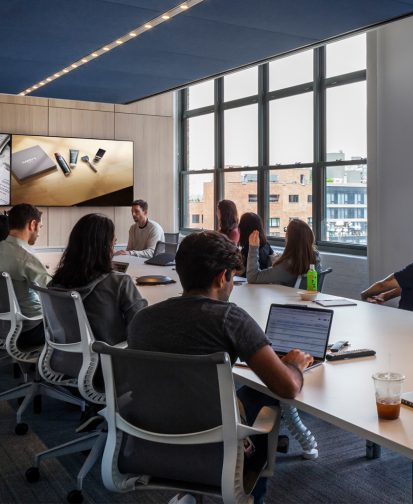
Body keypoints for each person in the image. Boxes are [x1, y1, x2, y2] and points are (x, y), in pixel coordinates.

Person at [128, 231, 312, 503]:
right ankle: (249, 492)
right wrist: (295, 365)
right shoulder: (229, 318)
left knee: (241, 393)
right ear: (222, 276)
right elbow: (287, 387)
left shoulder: (141, 321)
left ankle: (192, 489)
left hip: (151, 443)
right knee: (265, 396)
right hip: (214, 450)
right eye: (233, 279)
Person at [51, 213, 147, 348]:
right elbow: (142, 328)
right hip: (109, 361)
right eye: (113, 243)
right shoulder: (119, 282)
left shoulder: (55, 283)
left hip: (64, 360)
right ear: (105, 246)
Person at [0, 203, 49, 347]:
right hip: (31, 328)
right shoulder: (26, 257)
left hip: (3, 325)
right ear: (32, 224)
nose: (39, 233)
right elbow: (53, 291)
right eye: (40, 227)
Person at [246, 218, 319, 287]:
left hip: (286, 299)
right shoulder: (315, 257)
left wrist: (253, 248)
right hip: (309, 299)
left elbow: (253, 277)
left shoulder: (286, 266)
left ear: (290, 239)